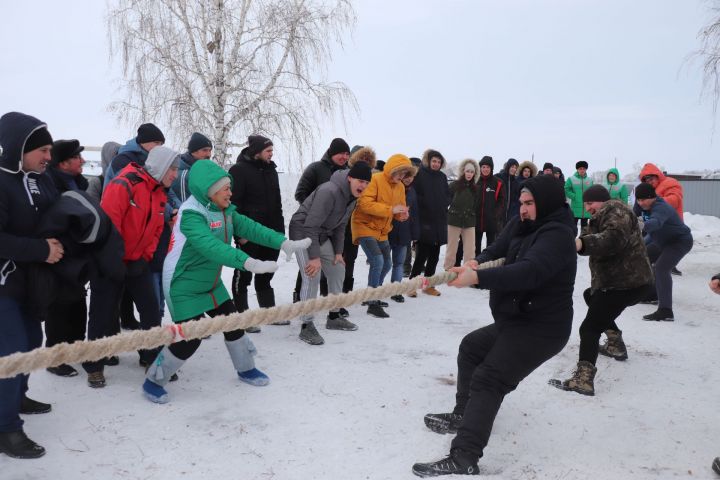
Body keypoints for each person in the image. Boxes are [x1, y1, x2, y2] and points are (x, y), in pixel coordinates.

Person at [413, 175, 577, 477]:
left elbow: (529, 272)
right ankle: (464, 414)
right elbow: (497, 250)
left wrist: (477, 278)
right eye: (521, 203)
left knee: (490, 378)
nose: (523, 209)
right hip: (518, 319)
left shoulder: (558, 236)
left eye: (529, 203)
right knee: (472, 348)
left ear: (547, 204)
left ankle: (465, 457)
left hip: (543, 328)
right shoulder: (521, 224)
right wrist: (477, 263)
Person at [143, 160, 309, 403]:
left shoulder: (224, 210)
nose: (231, 193)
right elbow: (211, 248)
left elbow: (252, 228)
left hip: (209, 282)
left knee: (233, 323)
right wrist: (248, 262)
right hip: (182, 285)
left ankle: (246, 368)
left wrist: (283, 242)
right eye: (226, 189)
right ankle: (153, 380)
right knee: (190, 339)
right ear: (210, 190)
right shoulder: (191, 215)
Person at [91, 146, 180, 388]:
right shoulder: (124, 184)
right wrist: (116, 261)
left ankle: (150, 356)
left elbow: (156, 230)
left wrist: (144, 257)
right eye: (172, 169)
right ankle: (94, 365)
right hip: (109, 261)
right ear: (160, 167)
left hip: (137, 262)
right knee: (102, 313)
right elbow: (109, 226)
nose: (175, 174)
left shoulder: (159, 192)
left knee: (151, 310)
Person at [551, 185, 653, 396]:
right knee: (591, 295)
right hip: (622, 284)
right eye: (585, 204)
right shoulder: (598, 218)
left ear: (602, 201)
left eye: (590, 203)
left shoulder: (616, 210)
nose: (588, 208)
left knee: (589, 328)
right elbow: (588, 241)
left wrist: (581, 242)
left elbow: (613, 239)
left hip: (626, 283)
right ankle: (615, 344)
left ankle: (584, 380)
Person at [0, 112, 59, 459]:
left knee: (32, 340)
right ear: (20, 147)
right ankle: (6, 428)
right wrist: (41, 249)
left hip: (28, 281)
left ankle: (16, 394)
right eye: (43, 150)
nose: (48, 157)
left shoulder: (34, 179)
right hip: (3, 282)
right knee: (12, 349)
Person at [290, 162, 372, 345]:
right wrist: (314, 257)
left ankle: (334, 316)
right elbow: (310, 225)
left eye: (367, 183)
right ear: (350, 177)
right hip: (303, 232)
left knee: (338, 269)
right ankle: (306, 325)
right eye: (360, 181)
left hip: (322, 234)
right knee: (312, 275)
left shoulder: (352, 197)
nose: (363, 186)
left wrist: (338, 253)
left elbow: (341, 226)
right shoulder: (330, 191)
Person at [228, 135, 285, 332]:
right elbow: (232, 206)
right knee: (243, 275)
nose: (271, 154)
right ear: (257, 151)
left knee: (267, 272)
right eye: (268, 151)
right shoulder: (238, 170)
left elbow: (277, 203)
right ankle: (243, 317)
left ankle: (268, 313)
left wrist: (280, 232)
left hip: (271, 233)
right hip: (249, 234)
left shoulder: (271, 171)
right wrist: (239, 235)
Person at [43, 140, 90, 377]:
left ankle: (75, 347)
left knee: (78, 301)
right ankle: (54, 357)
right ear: (63, 163)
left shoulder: (79, 182)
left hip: (79, 255)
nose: (82, 161)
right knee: (60, 305)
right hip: (61, 255)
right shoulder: (50, 186)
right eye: (76, 157)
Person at [352, 154, 414, 317]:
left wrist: (401, 215)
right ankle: (372, 303)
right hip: (364, 226)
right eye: (399, 172)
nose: (401, 177)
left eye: (404, 174)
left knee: (387, 263)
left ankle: (374, 295)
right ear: (392, 169)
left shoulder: (400, 186)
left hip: (382, 230)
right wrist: (390, 210)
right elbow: (364, 204)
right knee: (377, 260)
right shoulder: (375, 179)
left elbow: (397, 209)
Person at [293, 138, 351, 303]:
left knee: (334, 264)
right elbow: (300, 192)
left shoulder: (349, 174)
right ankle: (299, 299)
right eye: (341, 153)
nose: (344, 157)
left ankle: (328, 301)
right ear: (332, 152)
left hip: (334, 227)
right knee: (311, 264)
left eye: (347, 154)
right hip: (312, 225)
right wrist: (314, 210)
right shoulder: (316, 168)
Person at [635, 183, 693, 321]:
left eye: (644, 200)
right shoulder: (640, 206)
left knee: (661, 268)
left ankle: (666, 311)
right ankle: (653, 294)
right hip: (661, 240)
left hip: (679, 241)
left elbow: (656, 222)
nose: (641, 203)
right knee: (643, 257)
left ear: (652, 197)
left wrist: (641, 224)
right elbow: (632, 217)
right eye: (638, 200)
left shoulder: (662, 207)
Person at [408, 149, 450, 297]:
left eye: (438, 162)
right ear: (428, 161)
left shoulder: (442, 177)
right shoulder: (420, 175)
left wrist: (444, 204)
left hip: (439, 222)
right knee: (421, 256)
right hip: (424, 221)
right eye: (434, 161)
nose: (436, 164)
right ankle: (411, 285)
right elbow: (414, 194)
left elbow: (447, 195)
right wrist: (424, 204)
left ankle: (428, 286)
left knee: (434, 257)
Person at [341, 146, 377, 297]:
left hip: (356, 228)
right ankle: (329, 296)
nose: (364, 164)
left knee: (350, 260)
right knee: (335, 262)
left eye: (367, 162)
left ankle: (345, 295)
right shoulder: (345, 176)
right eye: (361, 160)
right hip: (339, 225)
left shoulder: (371, 180)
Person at [388, 169, 419, 303]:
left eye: (411, 176)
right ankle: (373, 292)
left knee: (399, 263)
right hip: (389, 230)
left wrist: (415, 233)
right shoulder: (392, 187)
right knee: (382, 264)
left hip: (405, 232)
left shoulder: (412, 191)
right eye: (406, 176)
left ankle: (396, 291)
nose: (408, 179)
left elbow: (415, 214)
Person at [104, 122, 165, 188]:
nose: (159, 147)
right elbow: (135, 187)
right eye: (156, 143)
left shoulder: (150, 160)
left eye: (161, 144)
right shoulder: (123, 159)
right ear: (144, 141)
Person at [444, 159, 478, 271]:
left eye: (471, 172)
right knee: (451, 248)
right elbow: (446, 200)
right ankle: (448, 270)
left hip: (469, 222)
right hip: (454, 220)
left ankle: (469, 272)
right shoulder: (454, 185)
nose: (469, 174)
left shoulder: (476, 188)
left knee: (470, 249)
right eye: (467, 171)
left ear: (474, 174)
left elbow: (477, 205)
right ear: (463, 171)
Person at [471, 155, 503, 256]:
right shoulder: (475, 181)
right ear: (480, 168)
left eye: (488, 167)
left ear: (491, 168)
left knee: (490, 246)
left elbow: (502, 201)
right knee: (475, 246)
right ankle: (476, 264)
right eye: (483, 167)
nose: (485, 169)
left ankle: (488, 265)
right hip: (476, 219)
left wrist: (495, 214)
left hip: (491, 220)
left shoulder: (498, 182)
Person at [171, 132, 212, 203]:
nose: (209, 154)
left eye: (210, 150)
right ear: (193, 151)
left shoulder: (202, 170)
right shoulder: (183, 175)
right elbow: (184, 206)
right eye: (204, 150)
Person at [564, 160, 593, 230]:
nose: (582, 170)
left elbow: (592, 192)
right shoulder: (571, 179)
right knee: (573, 228)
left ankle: (582, 241)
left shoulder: (589, 180)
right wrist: (574, 196)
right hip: (575, 208)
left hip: (586, 209)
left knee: (585, 229)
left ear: (586, 169)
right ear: (577, 169)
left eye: (584, 169)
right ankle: (571, 240)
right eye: (580, 169)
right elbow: (566, 189)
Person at [496, 158, 521, 230]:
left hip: (510, 215)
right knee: (498, 236)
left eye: (515, 167)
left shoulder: (516, 182)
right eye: (512, 167)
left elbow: (517, 199)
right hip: (499, 215)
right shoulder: (499, 177)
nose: (514, 169)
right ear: (508, 167)